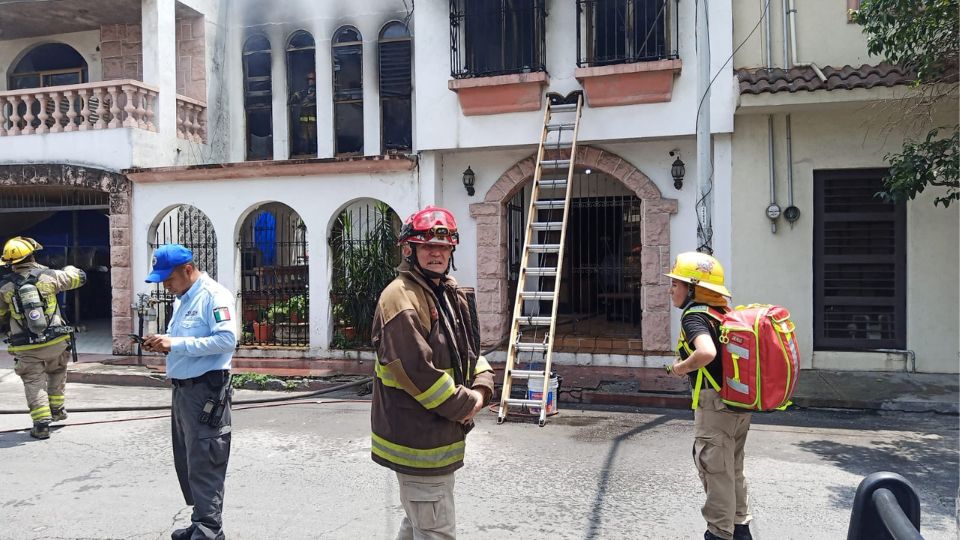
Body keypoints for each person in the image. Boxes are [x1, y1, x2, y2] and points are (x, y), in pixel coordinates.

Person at [370, 205, 494, 540]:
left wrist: (483, 383)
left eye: (443, 247)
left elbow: (467, 350)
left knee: (419, 526)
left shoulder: (443, 290)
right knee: (435, 531)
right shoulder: (401, 298)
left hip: (437, 439)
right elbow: (419, 372)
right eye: (427, 247)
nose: (436, 253)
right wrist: (467, 403)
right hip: (419, 443)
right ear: (410, 250)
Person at [142, 244, 237, 540]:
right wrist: (162, 341)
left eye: (168, 280)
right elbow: (188, 339)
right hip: (184, 390)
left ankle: (209, 531)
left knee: (207, 459)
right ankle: (201, 522)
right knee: (189, 460)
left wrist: (175, 344)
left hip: (206, 391)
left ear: (187, 269)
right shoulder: (184, 298)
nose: (166, 286)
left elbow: (226, 340)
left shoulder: (213, 296)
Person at [666, 251, 753, 540]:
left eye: (676, 284)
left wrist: (681, 367)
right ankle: (741, 529)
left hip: (715, 405)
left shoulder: (694, 317)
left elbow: (706, 352)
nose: (671, 290)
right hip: (738, 403)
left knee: (715, 472)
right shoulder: (722, 313)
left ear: (693, 288)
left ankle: (719, 533)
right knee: (733, 469)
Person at [0, 236, 85, 439]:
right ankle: (57, 410)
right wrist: (70, 268)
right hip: (55, 341)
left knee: (33, 381)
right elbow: (79, 278)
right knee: (56, 372)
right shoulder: (49, 277)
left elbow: (1, 315)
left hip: (25, 347)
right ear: (31, 255)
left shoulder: (5, 288)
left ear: (10, 263)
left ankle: (41, 424)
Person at [287, 71, 317, 156]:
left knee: (312, 134)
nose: (309, 81)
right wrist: (296, 96)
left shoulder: (317, 90)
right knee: (303, 134)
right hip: (304, 115)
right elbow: (298, 97)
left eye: (311, 79)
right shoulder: (305, 90)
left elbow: (310, 97)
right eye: (308, 79)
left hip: (312, 114)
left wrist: (303, 97)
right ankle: (305, 150)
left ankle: (313, 150)